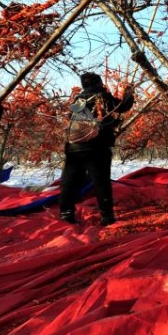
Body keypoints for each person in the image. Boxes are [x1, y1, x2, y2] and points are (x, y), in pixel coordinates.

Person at [60, 72, 134, 226]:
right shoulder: (102, 96)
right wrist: (128, 92)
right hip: (96, 147)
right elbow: (123, 106)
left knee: (70, 181)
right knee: (101, 182)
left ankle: (66, 214)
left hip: (74, 147)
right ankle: (106, 216)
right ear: (99, 83)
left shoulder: (78, 99)